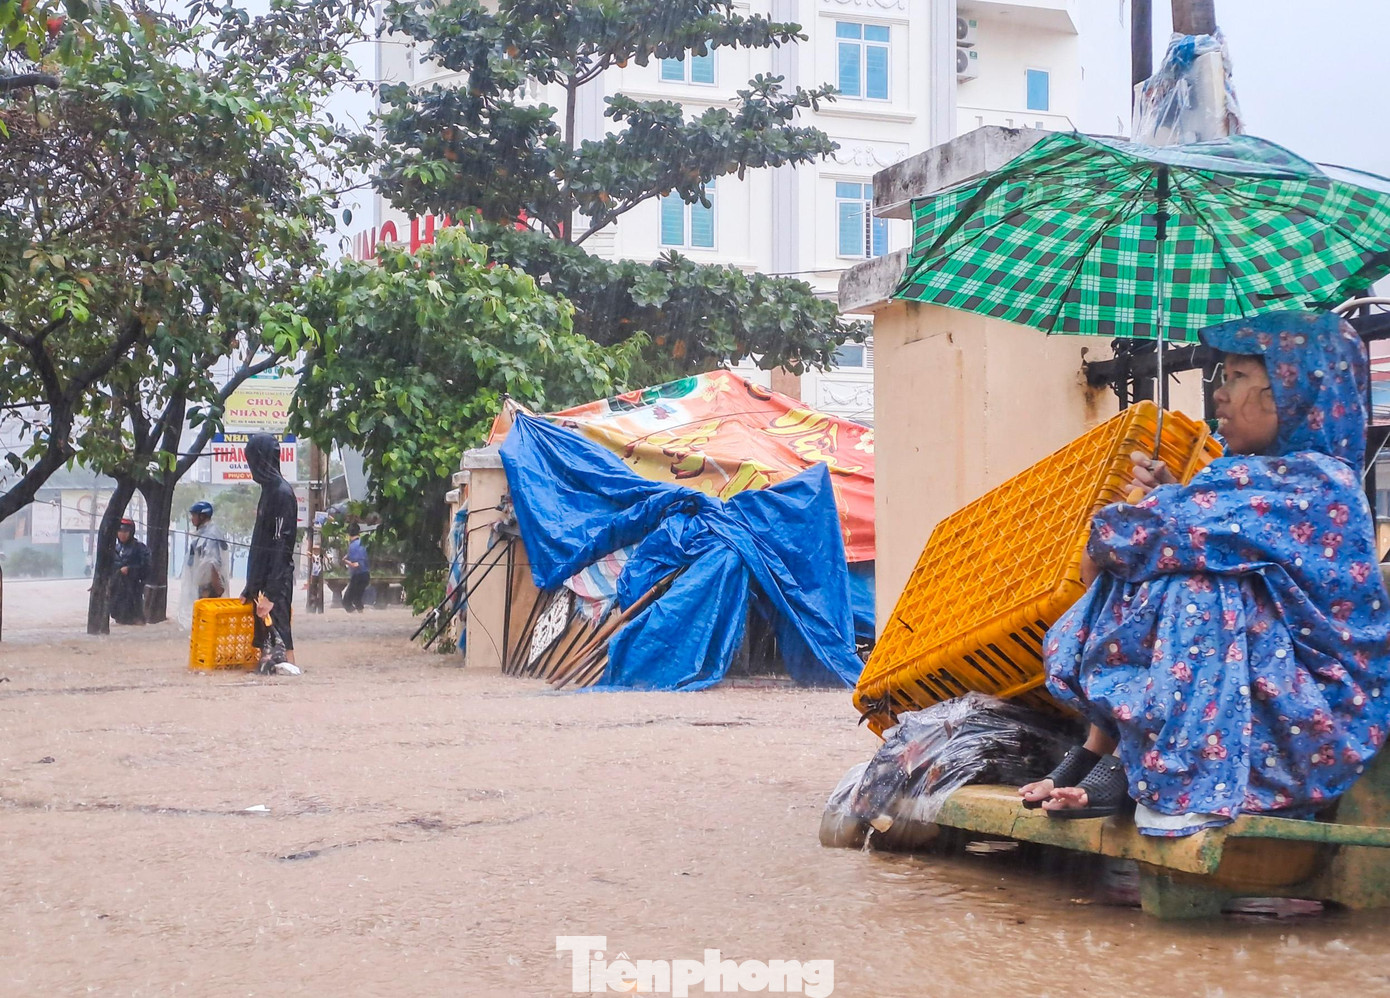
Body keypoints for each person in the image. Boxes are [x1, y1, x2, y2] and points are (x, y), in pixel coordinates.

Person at [1020, 310, 1390, 836]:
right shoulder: (1244, 479)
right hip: (1248, 701)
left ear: (1291, 393)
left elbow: (1118, 543)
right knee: (1178, 563)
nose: (1218, 392)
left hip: (1311, 719)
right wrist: (1169, 497)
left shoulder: (1315, 483)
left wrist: (1158, 508)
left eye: (1238, 378)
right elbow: (1121, 550)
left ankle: (1173, 775)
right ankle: (1110, 752)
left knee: (1196, 582)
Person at [242, 433, 297, 665]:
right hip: (263, 583)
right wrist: (251, 586)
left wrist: (272, 594)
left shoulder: (282, 494)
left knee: (281, 638)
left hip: (276, 581)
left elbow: (282, 546)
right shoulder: (267, 492)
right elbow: (260, 543)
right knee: (266, 648)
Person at [177, 500, 231, 629]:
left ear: (202, 516)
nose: (192, 519)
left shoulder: (211, 535)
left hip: (210, 586)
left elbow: (213, 563)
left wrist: (217, 586)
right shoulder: (203, 533)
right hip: (203, 585)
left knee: (210, 622)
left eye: (194, 515)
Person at [110, 518, 149, 625]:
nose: (122, 534)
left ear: (131, 532)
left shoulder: (139, 548)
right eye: (120, 531)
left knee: (136, 620)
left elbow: (147, 568)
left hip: (134, 591)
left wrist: (130, 570)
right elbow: (108, 568)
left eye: (125, 531)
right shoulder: (115, 548)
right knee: (120, 619)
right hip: (117, 591)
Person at [343, 525, 370, 613]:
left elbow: (356, 564)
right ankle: (361, 615)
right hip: (366, 575)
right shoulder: (363, 543)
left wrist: (346, 561)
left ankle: (353, 618)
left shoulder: (353, 546)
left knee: (346, 601)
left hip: (358, 575)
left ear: (348, 534)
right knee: (357, 599)